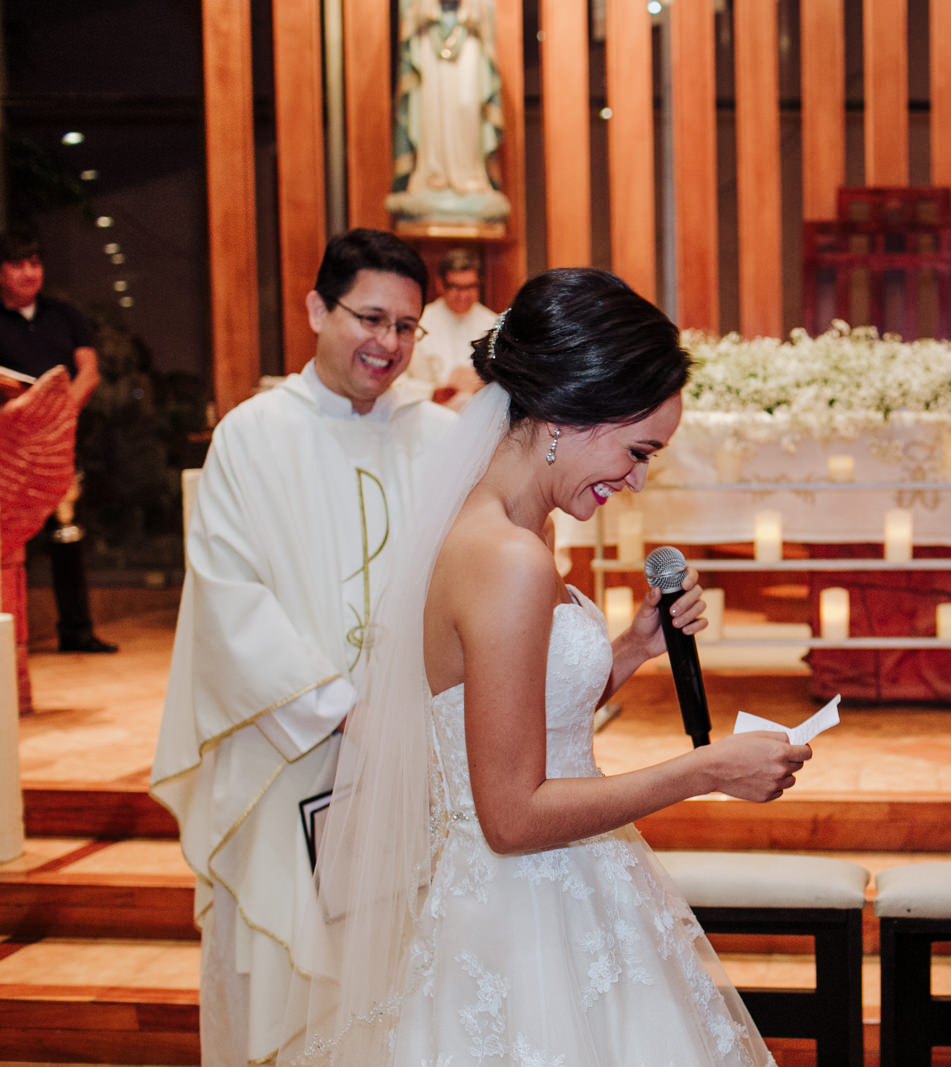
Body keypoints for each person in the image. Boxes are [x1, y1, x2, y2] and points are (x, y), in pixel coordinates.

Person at [280, 268, 809, 1067]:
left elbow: (510, 714)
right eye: (637, 451)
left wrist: (633, 645)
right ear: (567, 415)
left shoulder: (514, 525)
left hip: (560, 888)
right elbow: (512, 815)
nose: (636, 479)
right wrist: (703, 768)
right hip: (524, 914)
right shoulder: (507, 556)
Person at [150, 229, 455, 1065]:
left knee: (397, 974)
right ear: (318, 307)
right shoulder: (251, 437)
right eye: (370, 317)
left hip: (409, 759)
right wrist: (343, 712)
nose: (386, 344)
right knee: (287, 984)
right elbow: (228, 600)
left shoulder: (437, 437)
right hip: (287, 755)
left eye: (406, 326)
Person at [0, 230, 116, 653]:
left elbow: (88, 369)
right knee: (8, 546)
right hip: (8, 449)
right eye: (17, 264)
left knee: (68, 535)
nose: (28, 272)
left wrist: (61, 411)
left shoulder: (65, 314)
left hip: (61, 442)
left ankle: (77, 630)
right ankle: (10, 640)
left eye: (34, 263)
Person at [386, 0, 512, 224]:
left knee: (466, 107)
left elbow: (485, 11)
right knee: (431, 114)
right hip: (427, 37)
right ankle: (431, 176)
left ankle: (470, 178)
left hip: (468, 37)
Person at [403, 246, 497, 408]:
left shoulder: (494, 324)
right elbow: (400, 380)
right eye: (456, 287)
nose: (463, 295)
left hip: (480, 416)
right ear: (440, 284)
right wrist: (433, 392)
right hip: (430, 414)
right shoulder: (419, 323)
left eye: (470, 287)